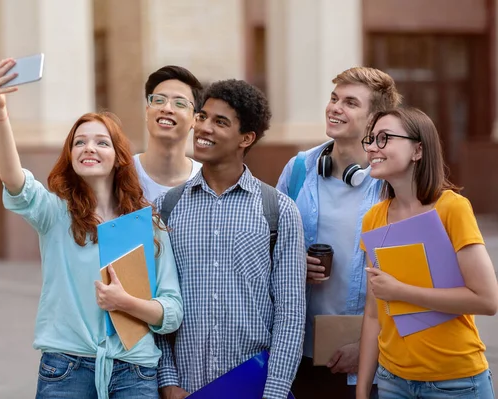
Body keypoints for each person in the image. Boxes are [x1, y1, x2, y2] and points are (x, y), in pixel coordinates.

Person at [0, 58, 183, 399]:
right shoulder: (54, 214)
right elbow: (13, 180)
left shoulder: (148, 225)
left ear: (119, 157)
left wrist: (126, 303)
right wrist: (0, 112)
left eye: (101, 142)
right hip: (66, 368)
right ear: (71, 156)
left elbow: (172, 311)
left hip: (134, 370)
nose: (89, 147)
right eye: (80, 142)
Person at [155, 79, 306, 399]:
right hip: (184, 386)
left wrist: (274, 392)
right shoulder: (166, 208)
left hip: (254, 387)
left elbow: (291, 314)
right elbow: (156, 302)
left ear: (246, 138)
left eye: (220, 122)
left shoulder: (279, 211)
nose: (204, 127)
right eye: (202, 117)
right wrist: (167, 379)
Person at [276, 67, 402, 398]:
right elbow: (272, 244)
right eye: (334, 99)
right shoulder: (299, 168)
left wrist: (368, 344)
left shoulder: (392, 181)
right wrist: (292, 265)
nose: (335, 108)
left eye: (349, 102)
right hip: (298, 349)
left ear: (374, 118)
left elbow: (414, 277)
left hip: (369, 355)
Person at [356, 107, 498, 399]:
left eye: (384, 138)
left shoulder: (452, 208)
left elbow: (486, 300)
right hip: (392, 381)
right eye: (370, 140)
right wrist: (361, 391)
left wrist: (400, 291)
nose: (372, 147)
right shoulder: (373, 218)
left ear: (418, 150)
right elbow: (373, 315)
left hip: (455, 383)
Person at [134, 66, 203, 202]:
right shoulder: (120, 174)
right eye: (159, 100)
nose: (167, 108)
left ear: (196, 120)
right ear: (147, 111)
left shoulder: (205, 181)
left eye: (179, 103)